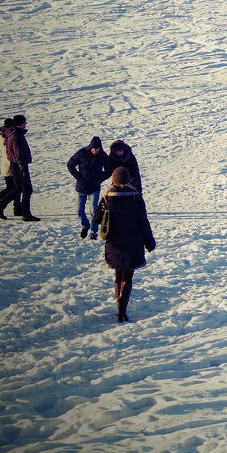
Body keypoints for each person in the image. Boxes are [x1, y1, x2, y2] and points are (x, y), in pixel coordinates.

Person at [92, 167, 155, 323]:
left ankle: (118, 307)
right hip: (133, 242)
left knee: (118, 275)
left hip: (114, 243)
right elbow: (143, 222)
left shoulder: (107, 197)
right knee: (127, 276)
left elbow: (97, 219)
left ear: (113, 180)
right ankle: (122, 310)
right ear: (128, 180)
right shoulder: (136, 198)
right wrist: (149, 242)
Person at [68, 137, 111, 239]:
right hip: (81, 187)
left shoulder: (103, 156)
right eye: (93, 148)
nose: (95, 150)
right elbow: (70, 164)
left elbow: (108, 171)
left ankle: (93, 232)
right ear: (90, 147)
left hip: (94, 188)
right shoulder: (82, 153)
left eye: (97, 149)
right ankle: (85, 225)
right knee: (79, 210)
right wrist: (78, 177)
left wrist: (99, 179)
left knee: (93, 211)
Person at [0, 115, 39, 222]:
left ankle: (0, 207)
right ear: (21, 123)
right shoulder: (16, 136)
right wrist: (22, 168)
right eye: (25, 122)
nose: (26, 124)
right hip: (19, 166)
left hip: (17, 165)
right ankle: (26, 214)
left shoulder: (13, 134)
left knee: (19, 189)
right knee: (27, 189)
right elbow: (18, 154)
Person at [0, 118, 20, 218]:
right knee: (13, 188)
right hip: (9, 166)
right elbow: (8, 154)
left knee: (15, 187)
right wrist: (14, 166)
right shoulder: (6, 139)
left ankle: (17, 208)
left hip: (8, 165)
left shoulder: (5, 136)